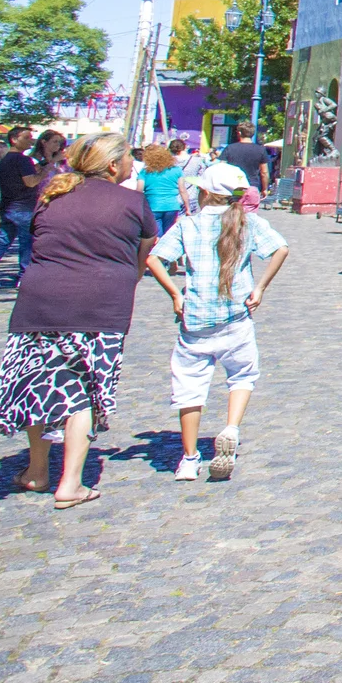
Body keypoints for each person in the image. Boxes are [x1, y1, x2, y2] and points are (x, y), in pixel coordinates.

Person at [0, 132, 159, 510]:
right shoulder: (132, 201)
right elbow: (146, 246)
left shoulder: (52, 196)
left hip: (39, 301)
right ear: (113, 165)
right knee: (84, 389)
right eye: (128, 158)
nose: (131, 165)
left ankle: (36, 470)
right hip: (100, 304)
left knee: (39, 383)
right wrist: (131, 273)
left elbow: (38, 240)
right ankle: (71, 484)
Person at [143, 162, 285, 482]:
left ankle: (190, 459)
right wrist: (259, 288)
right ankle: (231, 429)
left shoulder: (187, 225)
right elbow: (280, 249)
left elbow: (154, 259)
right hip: (236, 316)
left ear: (205, 192)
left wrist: (175, 296)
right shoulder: (249, 222)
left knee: (190, 390)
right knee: (242, 376)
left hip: (196, 320)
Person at [0, 127, 42, 286]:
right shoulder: (22, 160)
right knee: (26, 242)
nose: (30, 141)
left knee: (2, 241)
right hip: (23, 207)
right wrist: (45, 171)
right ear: (14, 139)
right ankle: (24, 276)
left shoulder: (5, 159)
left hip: (8, 206)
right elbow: (30, 181)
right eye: (27, 138)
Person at [136, 143, 186, 235]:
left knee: (156, 235)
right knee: (168, 234)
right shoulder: (176, 170)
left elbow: (139, 191)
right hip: (172, 206)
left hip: (153, 206)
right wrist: (188, 208)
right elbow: (182, 190)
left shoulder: (145, 171)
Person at [218, 126, 270, 212]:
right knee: (250, 217)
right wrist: (264, 188)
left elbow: (221, 168)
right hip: (251, 187)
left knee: (234, 214)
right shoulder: (260, 150)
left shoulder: (230, 148)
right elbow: (264, 172)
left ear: (239, 133)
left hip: (235, 188)